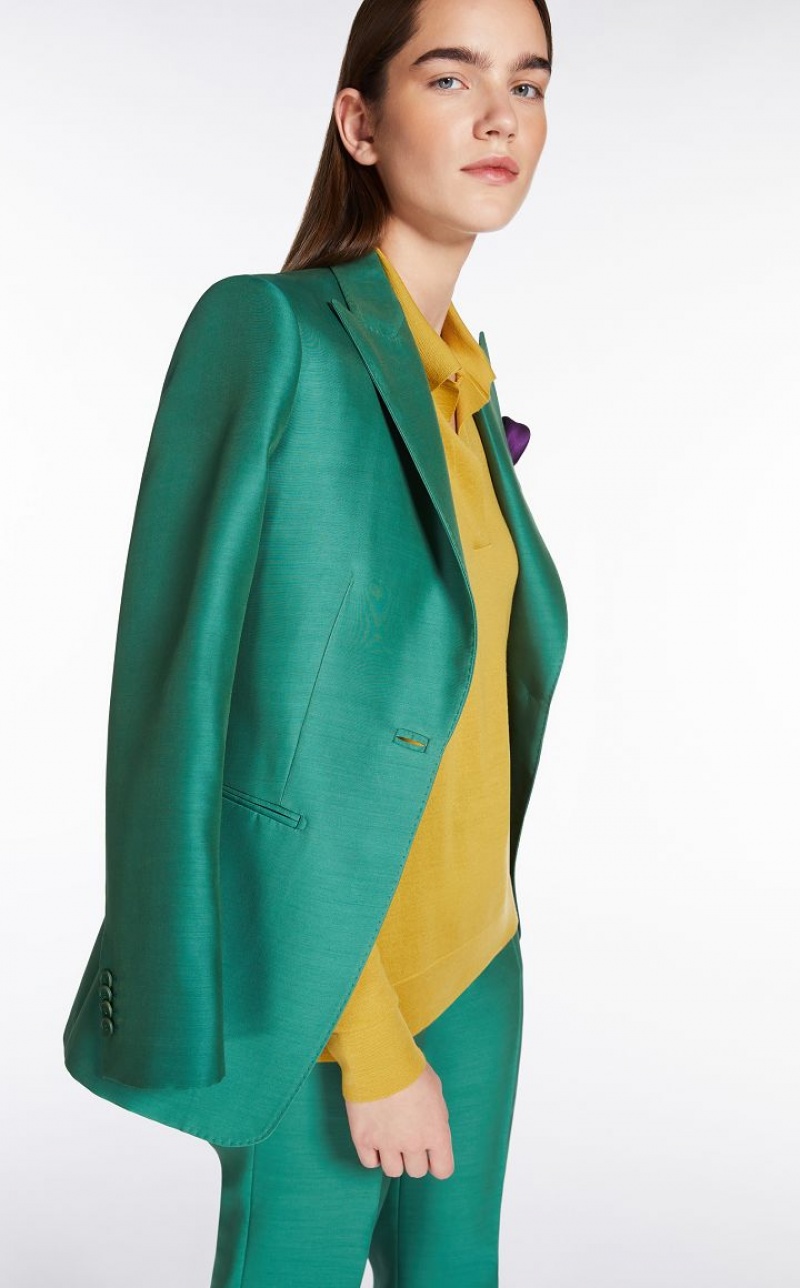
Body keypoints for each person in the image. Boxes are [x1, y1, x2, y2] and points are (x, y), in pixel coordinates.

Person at [62, 0, 568, 1281]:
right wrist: (365, 1032)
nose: (498, 116)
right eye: (448, 77)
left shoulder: (466, 384)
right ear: (359, 120)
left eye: (526, 83)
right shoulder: (266, 335)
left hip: (479, 959)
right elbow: (197, 704)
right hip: (319, 978)